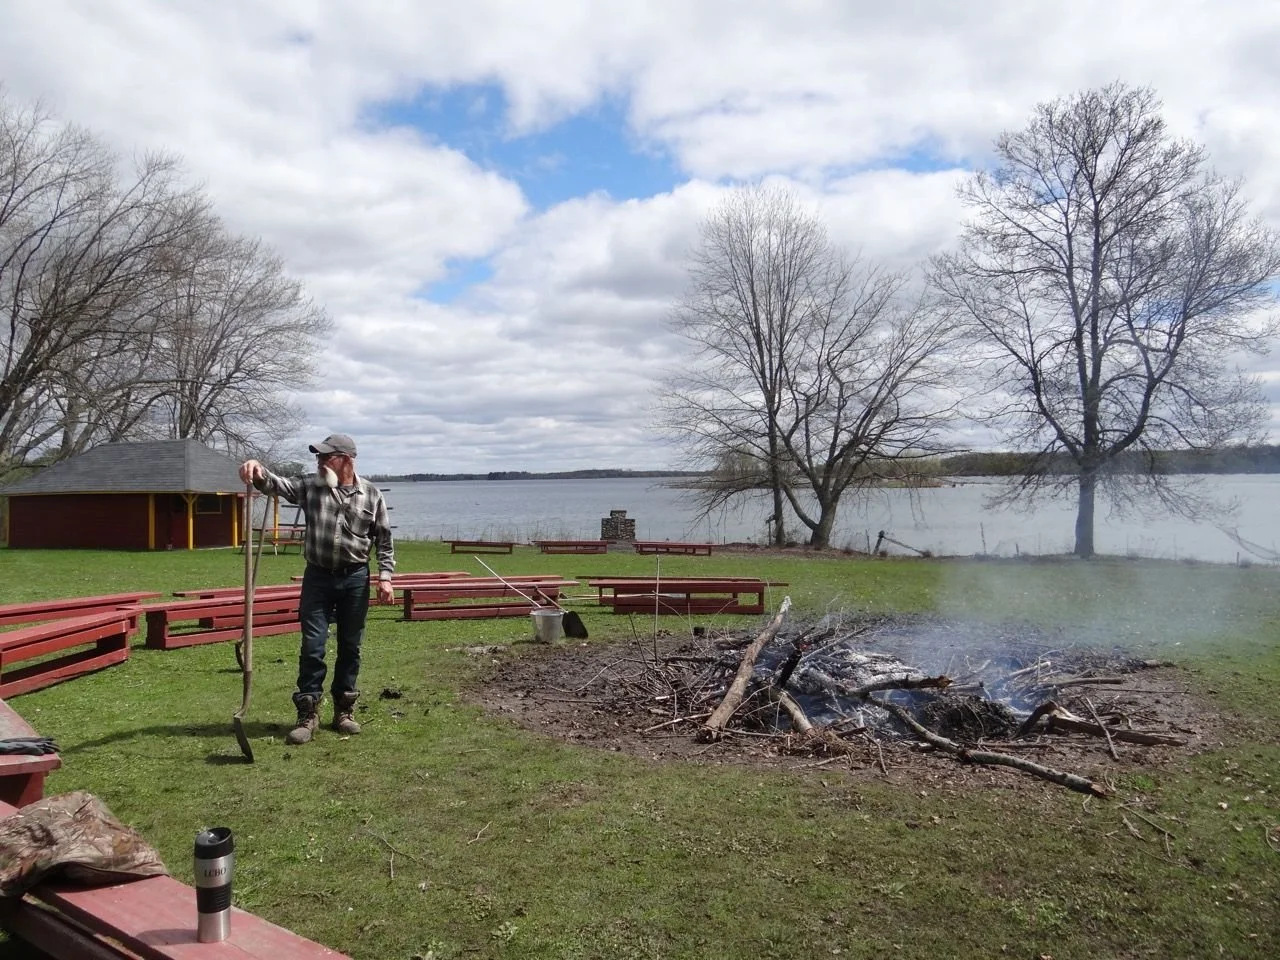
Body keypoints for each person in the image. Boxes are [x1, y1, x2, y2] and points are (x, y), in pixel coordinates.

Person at [239, 433, 395, 745]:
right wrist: (256, 469)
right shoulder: (310, 486)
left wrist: (386, 577)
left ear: (347, 460)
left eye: (327, 456)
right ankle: (307, 713)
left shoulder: (372, 494)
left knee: (351, 646)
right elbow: (275, 484)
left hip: (355, 579)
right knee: (313, 645)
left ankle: (344, 711)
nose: (319, 461)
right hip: (318, 578)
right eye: (318, 456)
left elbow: (384, 541)